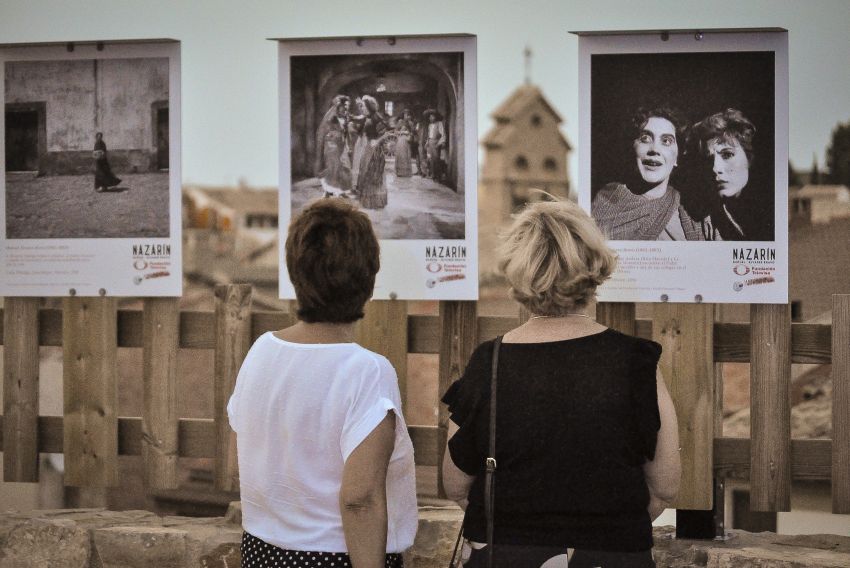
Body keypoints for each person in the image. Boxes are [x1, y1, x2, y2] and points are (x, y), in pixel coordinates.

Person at [441, 198, 681, 567]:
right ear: (594, 266)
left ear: (518, 272)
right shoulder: (637, 362)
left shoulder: (489, 362)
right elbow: (664, 488)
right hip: (614, 553)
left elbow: (457, 485)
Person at [228, 198, 417, 568]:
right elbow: (359, 499)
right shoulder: (368, 371)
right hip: (334, 557)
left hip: (261, 552)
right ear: (369, 278)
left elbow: (243, 451)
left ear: (295, 272)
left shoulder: (260, 352)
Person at [592, 107, 704, 241]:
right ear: (633, 147)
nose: (655, 149)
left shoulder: (693, 215)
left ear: (677, 158)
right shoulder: (605, 201)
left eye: (666, 141)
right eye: (645, 138)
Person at [691, 108, 765, 241]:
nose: (715, 168)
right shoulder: (703, 224)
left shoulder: (772, 215)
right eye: (709, 159)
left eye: (727, 154)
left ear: (749, 158)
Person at [315, 95, 352, 198]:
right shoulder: (331, 118)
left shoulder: (346, 117)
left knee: (345, 167)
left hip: (342, 145)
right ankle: (328, 190)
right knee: (333, 167)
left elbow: (346, 133)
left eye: (347, 106)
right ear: (338, 106)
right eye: (344, 106)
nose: (346, 108)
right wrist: (332, 136)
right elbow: (324, 132)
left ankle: (341, 190)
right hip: (332, 146)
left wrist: (348, 145)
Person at [358, 95, 389, 209]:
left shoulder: (376, 117)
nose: (363, 109)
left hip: (375, 149)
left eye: (364, 107)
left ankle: (375, 202)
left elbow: (385, 133)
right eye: (362, 107)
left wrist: (377, 141)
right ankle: (368, 201)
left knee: (374, 173)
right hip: (368, 147)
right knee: (366, 171)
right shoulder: (367, 118)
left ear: (369, 107)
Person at [424, 109, 446, 182]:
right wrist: (427, 142)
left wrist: (439, 143)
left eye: (432, 117)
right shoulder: (430, 125)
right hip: (430, 142)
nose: (430, 118)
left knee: (436, 160)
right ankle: (433, 175)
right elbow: (429, 135)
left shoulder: (439, 124)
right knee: (431, 160)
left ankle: (438, 177)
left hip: (436, 143)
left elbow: (443, 135)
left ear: (435, 117)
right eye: (430, 117)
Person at [394, 110, 414, 178]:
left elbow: (413, 132)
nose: (407, 116)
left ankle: (406, 172)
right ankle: (400, 172)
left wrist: (409, 134)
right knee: (401, 155)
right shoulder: (400, 121)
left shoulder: (410, 123)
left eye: (408, 115)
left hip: (407, 141)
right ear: (403, 115)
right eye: (405, 114)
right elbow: (395, 131)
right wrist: (403, 132)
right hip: (401, 140)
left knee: (406, 155)